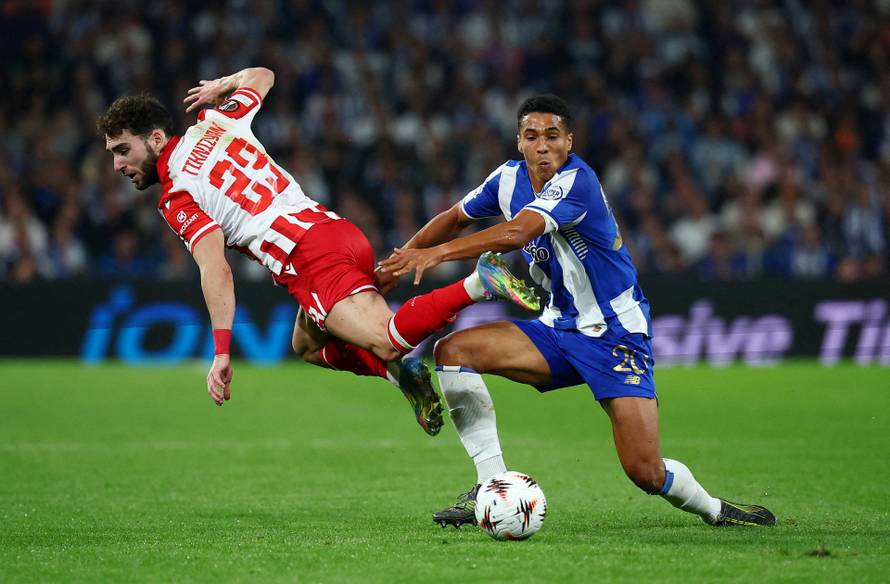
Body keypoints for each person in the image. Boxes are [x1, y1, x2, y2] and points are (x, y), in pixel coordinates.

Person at [377, 94, 776, 527]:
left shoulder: (577, 182)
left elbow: (516, 233)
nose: (542, 146)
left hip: (615, 334)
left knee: (645, 471)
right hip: (557, 328)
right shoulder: (507, 178)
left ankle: (717, 510)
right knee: (453, 352)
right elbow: (455, 217)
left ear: (569, 141)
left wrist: (436, 255)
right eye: (532, 136)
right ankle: (490, 487)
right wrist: (401, 260)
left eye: (552, 136)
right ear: (519, 142)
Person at [97, 67, 539, 436]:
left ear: (157, 138)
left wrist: (222, 352)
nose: (117, 165)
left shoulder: (176, 195)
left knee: (386, 341)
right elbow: (263, 75)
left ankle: (479, 283)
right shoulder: (216, 122)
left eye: (122, 150)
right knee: (307, 345)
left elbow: (216, 270)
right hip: (336, 231)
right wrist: (224, 85)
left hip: (308, 259)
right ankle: (403, 375)